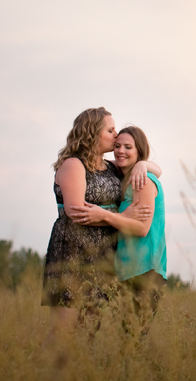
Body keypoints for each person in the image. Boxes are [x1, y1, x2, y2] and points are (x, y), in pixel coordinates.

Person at [41, 107, 159, 335]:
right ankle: (43, 371)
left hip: (103, 256)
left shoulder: (112, 167)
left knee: (89, 334)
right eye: (110, 130)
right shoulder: (74, 164)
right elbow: (76, 212)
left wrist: (143, 165)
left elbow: (157, 169)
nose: (116, 135)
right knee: (63, 334)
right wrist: (120, 219)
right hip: (72, 254)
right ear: (92, 133)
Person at [70, 125, 167, 318]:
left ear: (139, 150)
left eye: (128, 147)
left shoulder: (143, 181)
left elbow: (141, 229)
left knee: (132, 342)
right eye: (118, 146)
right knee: (123, 343)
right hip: (126, 273)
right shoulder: (124, 177)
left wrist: (104, 215)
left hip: (144, 271)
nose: (121, 151)